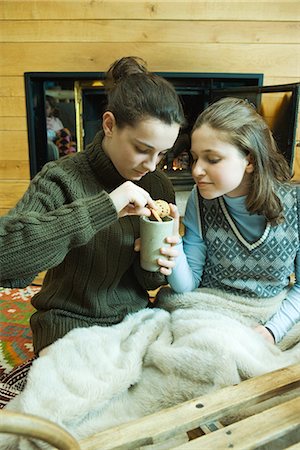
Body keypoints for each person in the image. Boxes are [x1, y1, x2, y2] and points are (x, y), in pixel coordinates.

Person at [0, 56, 185, 357]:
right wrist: (105, 207)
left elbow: (150, 282)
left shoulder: (157, 185)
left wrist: (163, 260)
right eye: (142, 149)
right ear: (110, 125)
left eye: (162, 154)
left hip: (134, 322)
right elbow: (5, 261)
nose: (151, 165)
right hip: (67, 325)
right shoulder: (60, 178)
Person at [158, 97, 300, 345]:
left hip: (271, 314)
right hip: (210, 309)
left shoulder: (295, 203)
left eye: (212, 159)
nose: (196, 170)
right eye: (194, 158)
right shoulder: (200, 201)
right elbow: (186, 287)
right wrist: (172, 243)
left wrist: (272, 331)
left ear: (250, 160)